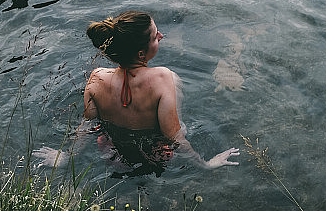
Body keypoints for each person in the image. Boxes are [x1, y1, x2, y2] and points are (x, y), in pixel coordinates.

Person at [33, 11, 239, 175]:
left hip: (112, 157)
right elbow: (175, 137)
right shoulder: (165, 79)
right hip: (159, 158)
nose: (161, 36)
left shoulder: (96, 78)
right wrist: (206, 165)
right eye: (155, 36)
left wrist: (66, 157)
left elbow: (87, 127)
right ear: (141, 53)